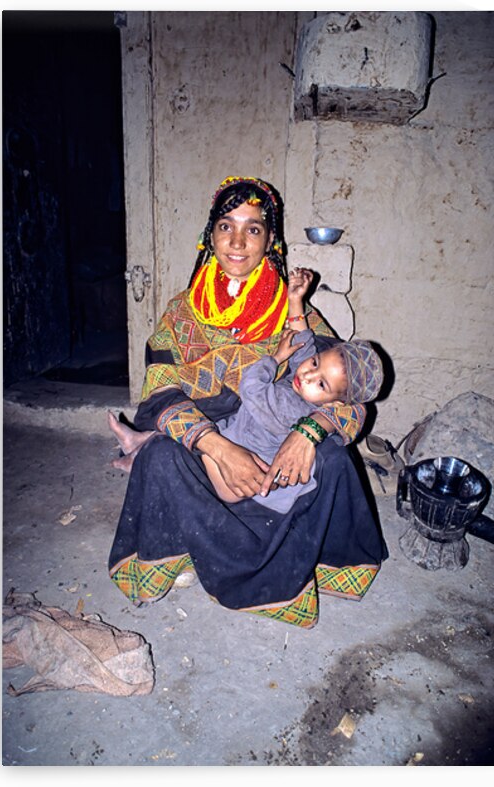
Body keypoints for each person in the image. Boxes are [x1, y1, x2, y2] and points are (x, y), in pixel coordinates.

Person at [108, 175, 388, 628]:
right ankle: (180, 550)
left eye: (253, 228)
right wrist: (217, 447)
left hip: (277, 452)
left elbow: (351, 399)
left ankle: (307, 563)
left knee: (333, 459)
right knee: (159, 456)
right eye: (226, 226)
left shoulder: (296, 314)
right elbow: (158, 392)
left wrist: (308, 433)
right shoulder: (181, 314)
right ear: (210, 235)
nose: (237, 242)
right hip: (209, 441)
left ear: (270, 240)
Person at [109, 267, 384, 515]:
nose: (308, 375)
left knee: (189, 446)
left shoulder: (290, 405)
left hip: (244, 475)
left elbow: (251, 387)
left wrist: (275, 358)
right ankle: (139, 445)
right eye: (314, 364)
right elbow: (304, 345)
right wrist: (295, 300)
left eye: (321, 383)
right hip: (242, 431)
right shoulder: (187, 305)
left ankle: (142, 457)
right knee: (190, 429)